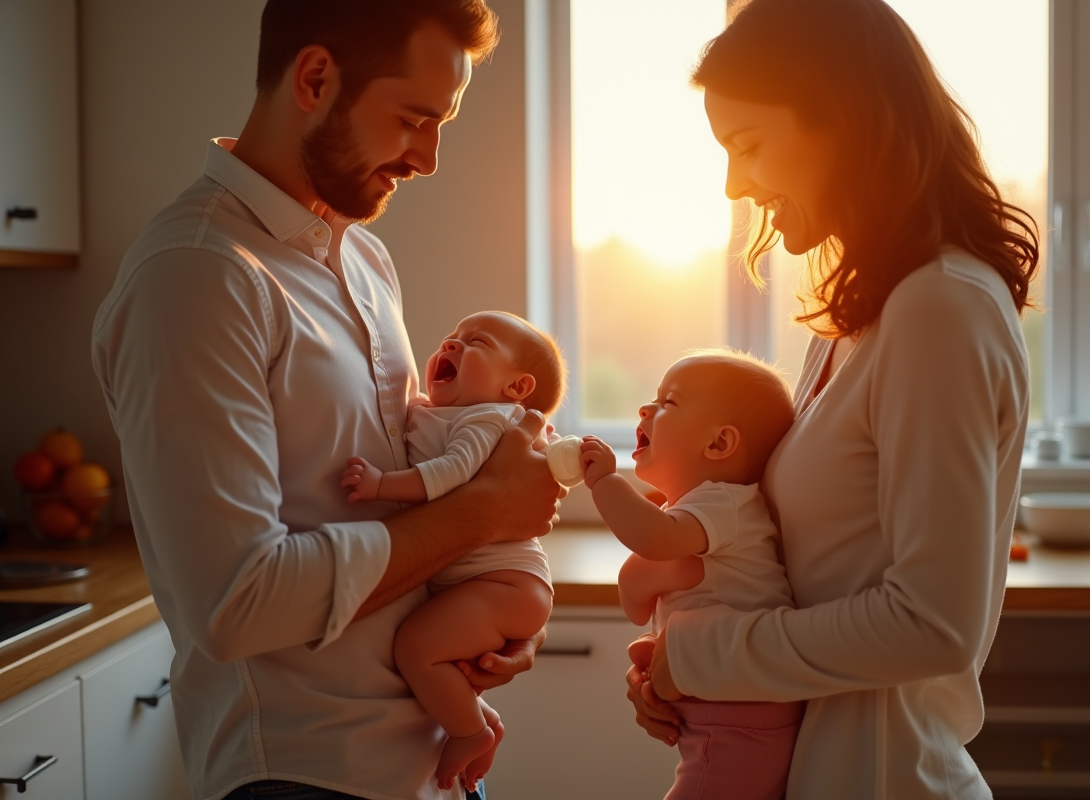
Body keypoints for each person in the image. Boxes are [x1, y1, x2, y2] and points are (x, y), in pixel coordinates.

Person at [90, 2, 564, 799]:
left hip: (431, 762)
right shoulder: (199, 278)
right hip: (309, 774)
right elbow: (237, 600)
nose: (431, 157)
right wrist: (481, 517)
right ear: (315, 78)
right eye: (415, 117)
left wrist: (493, 612)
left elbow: (399, 501)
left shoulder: (365, 259)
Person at [624, 1, 1039, 798]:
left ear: (846, 124)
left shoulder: (940, 306)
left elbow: (933, 625)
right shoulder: (859, 318)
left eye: (748, 146)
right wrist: (695, 684)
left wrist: (704, 655)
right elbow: (810, 579)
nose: (734, 183)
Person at [341, 311, 580, 792]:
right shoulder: (441, 412)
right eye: (450, 337)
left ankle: (470, 730)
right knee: (428, 649)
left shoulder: (487, 419)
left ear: (516, 388)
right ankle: (477, 720)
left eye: (477, 343)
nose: (451, 345)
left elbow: (451, 472)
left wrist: (382, 484)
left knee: (417, 648)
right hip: (500, 584)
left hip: (505, 585)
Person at [580, 351, 803, 800]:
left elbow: (652, 547)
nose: (646, 409)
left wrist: (605, 483)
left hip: (740, 712)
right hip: (733, 705)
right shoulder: (695, 516)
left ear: (719, 444)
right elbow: (640, 590)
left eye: (669, 402)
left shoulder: (725, 502)